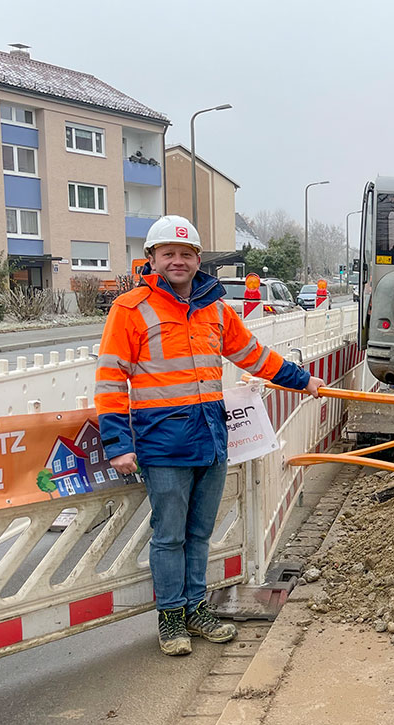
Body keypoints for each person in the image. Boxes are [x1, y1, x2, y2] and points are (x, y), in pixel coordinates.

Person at [94, 215, 326, 656]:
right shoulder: (130, 310)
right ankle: (172, 619)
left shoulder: (214, 308)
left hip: (210, 438)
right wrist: (118, 445)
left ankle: (197, 609)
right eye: (169, 254)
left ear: (199, 260)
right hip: (162, 443)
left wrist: (302, 380)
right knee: (169, 536)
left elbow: (252, 355)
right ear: (152, 260)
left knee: (200, 532)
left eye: (186, 254)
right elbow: (110, 381)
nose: (177, 261)